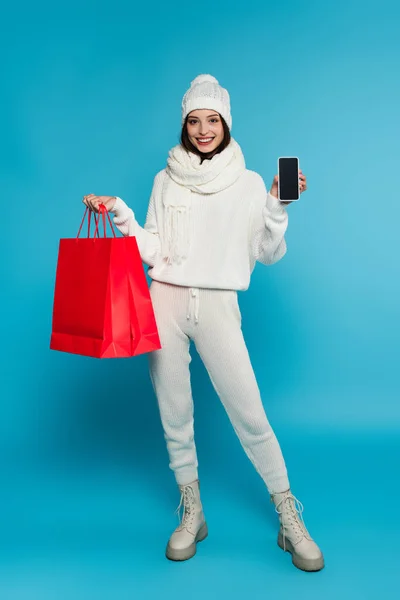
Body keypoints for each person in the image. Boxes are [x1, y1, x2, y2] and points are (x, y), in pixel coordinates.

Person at [83, 74, 324, 572]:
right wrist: (122, 214)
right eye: (194, 120)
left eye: (212, 119)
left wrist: (278, 205)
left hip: (218, 305)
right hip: (164, 300)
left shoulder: (252, 181)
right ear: (184, 125)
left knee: (250, 415)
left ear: (226, 124)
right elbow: (154, 248)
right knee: (175, 414)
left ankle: (287, 514)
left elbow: (267, 252)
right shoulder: (165, 179)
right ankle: (192, 511)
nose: (203, 129)